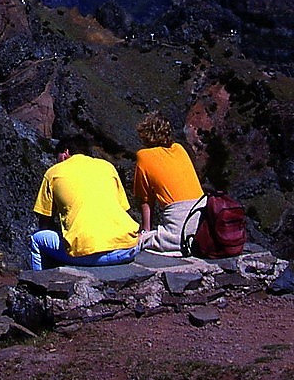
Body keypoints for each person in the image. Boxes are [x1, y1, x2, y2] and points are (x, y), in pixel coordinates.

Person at [29, 134, 140, 270]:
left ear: (65, 152)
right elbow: (124, 209)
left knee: (37, 239)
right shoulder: (107, 167)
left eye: (57, 157)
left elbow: (45, 220)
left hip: (87, 254)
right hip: (127, 249)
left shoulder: (53, 173)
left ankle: (38, 284)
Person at [132, 112, 205, 256]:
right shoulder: (179, 149)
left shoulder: (144, 156)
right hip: (202, 219)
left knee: (137, 240)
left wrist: (145, 231)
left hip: (179, 225)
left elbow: (145, 200)